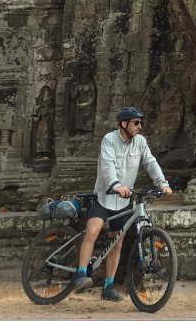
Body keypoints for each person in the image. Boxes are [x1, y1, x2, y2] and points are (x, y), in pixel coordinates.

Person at [72, 107, 172, 301]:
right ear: (124, 124)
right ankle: (80, 274)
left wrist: (163, 184)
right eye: (136, 123)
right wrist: (115, 185)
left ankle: (108, 286)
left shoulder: (140, 142)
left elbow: (150, 162)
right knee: (92, 231)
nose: (140, 127)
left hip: (124, 200)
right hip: (105, 196)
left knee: (116, 243)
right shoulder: (109, 140)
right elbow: (107, 165)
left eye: (140, 123)